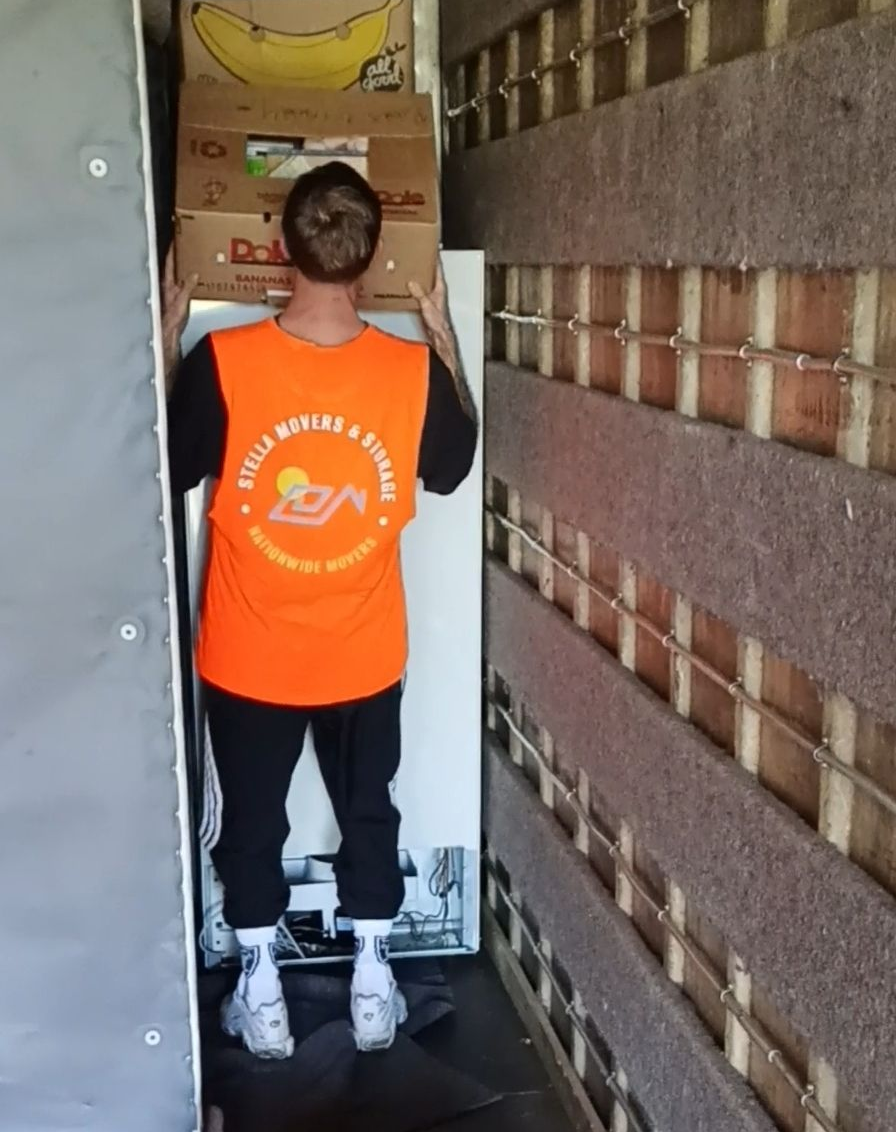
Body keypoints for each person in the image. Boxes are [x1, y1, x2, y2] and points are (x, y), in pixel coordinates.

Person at [163, 161, 477, 1060]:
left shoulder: (220, 362)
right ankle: (374, 980)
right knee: (369, 812)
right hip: (363, 656)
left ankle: (261, 994)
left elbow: (171, 464)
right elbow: (450, 470)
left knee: (252, 828)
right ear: (373, 258)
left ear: (278, 251)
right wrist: (445, 335)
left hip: (249, 659)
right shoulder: (412, 373)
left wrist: (164, 339)